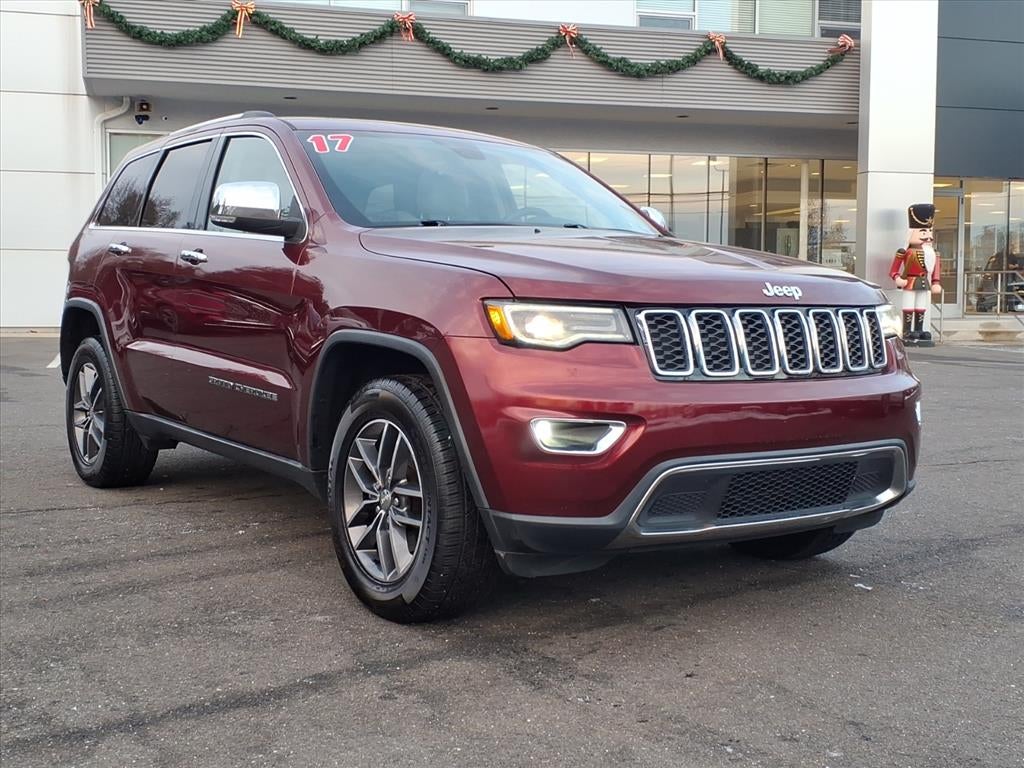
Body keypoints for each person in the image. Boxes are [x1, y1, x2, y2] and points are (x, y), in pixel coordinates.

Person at [889, 203, 942, 343]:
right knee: (908, 305)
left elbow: (936, 269)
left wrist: (936, 282)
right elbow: (894, 269)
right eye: (923, 232)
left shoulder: (932, 253)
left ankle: (919, 329)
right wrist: (897, 278)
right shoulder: (904, 252)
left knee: (921, 306)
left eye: (929, 232)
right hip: (910, 282)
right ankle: (907, 330)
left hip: (924, 283)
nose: (928, 236)